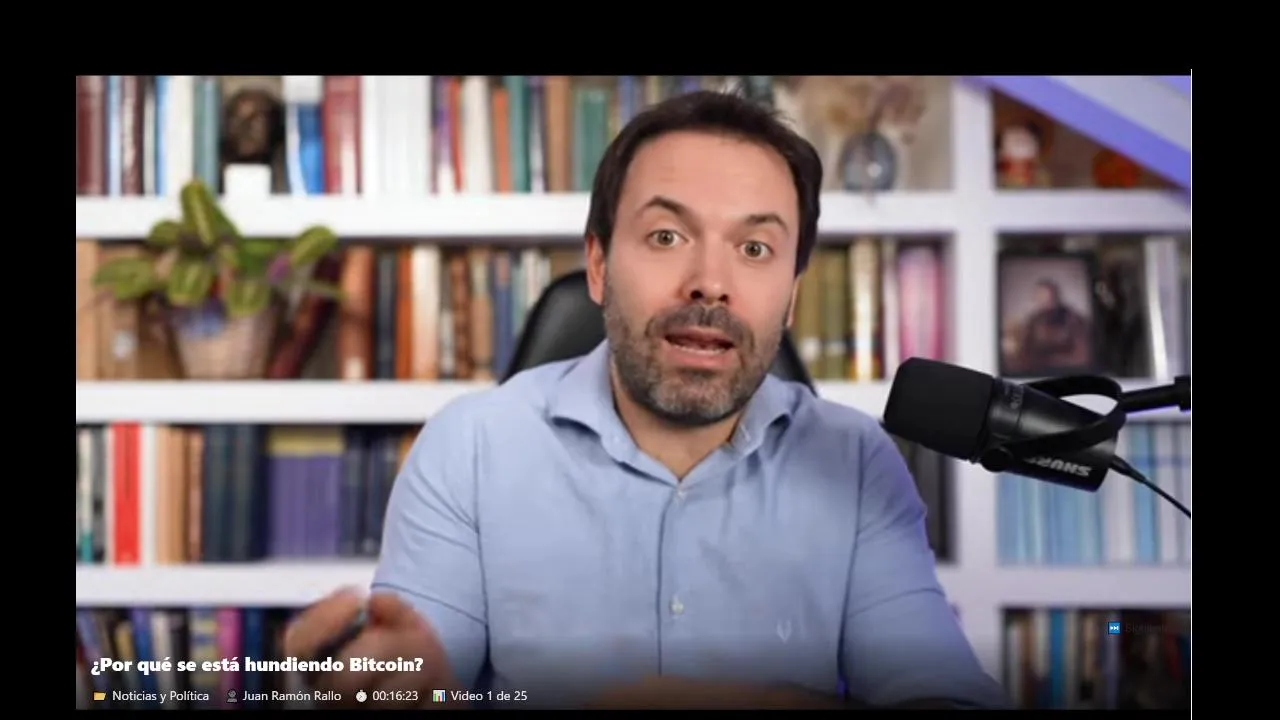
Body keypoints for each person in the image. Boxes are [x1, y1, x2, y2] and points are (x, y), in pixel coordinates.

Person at [283, 90, 1008, 710]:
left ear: (791, 298)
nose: (710, 282)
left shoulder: (855, 462)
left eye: (755, 248)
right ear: (598, 265)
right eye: (666, 235)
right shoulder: (469, 448)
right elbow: (414, 675)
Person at [1014, 277, 1092, 374]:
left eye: (1048, 296)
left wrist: (1054, 361)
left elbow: (1082, 356)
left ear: (1056, 296)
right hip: (1037, 372)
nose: (1044, 300)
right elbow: (1024, 351)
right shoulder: (1034, 320)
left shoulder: (1073, 319)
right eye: (1040, 296)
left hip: (1067, 372)